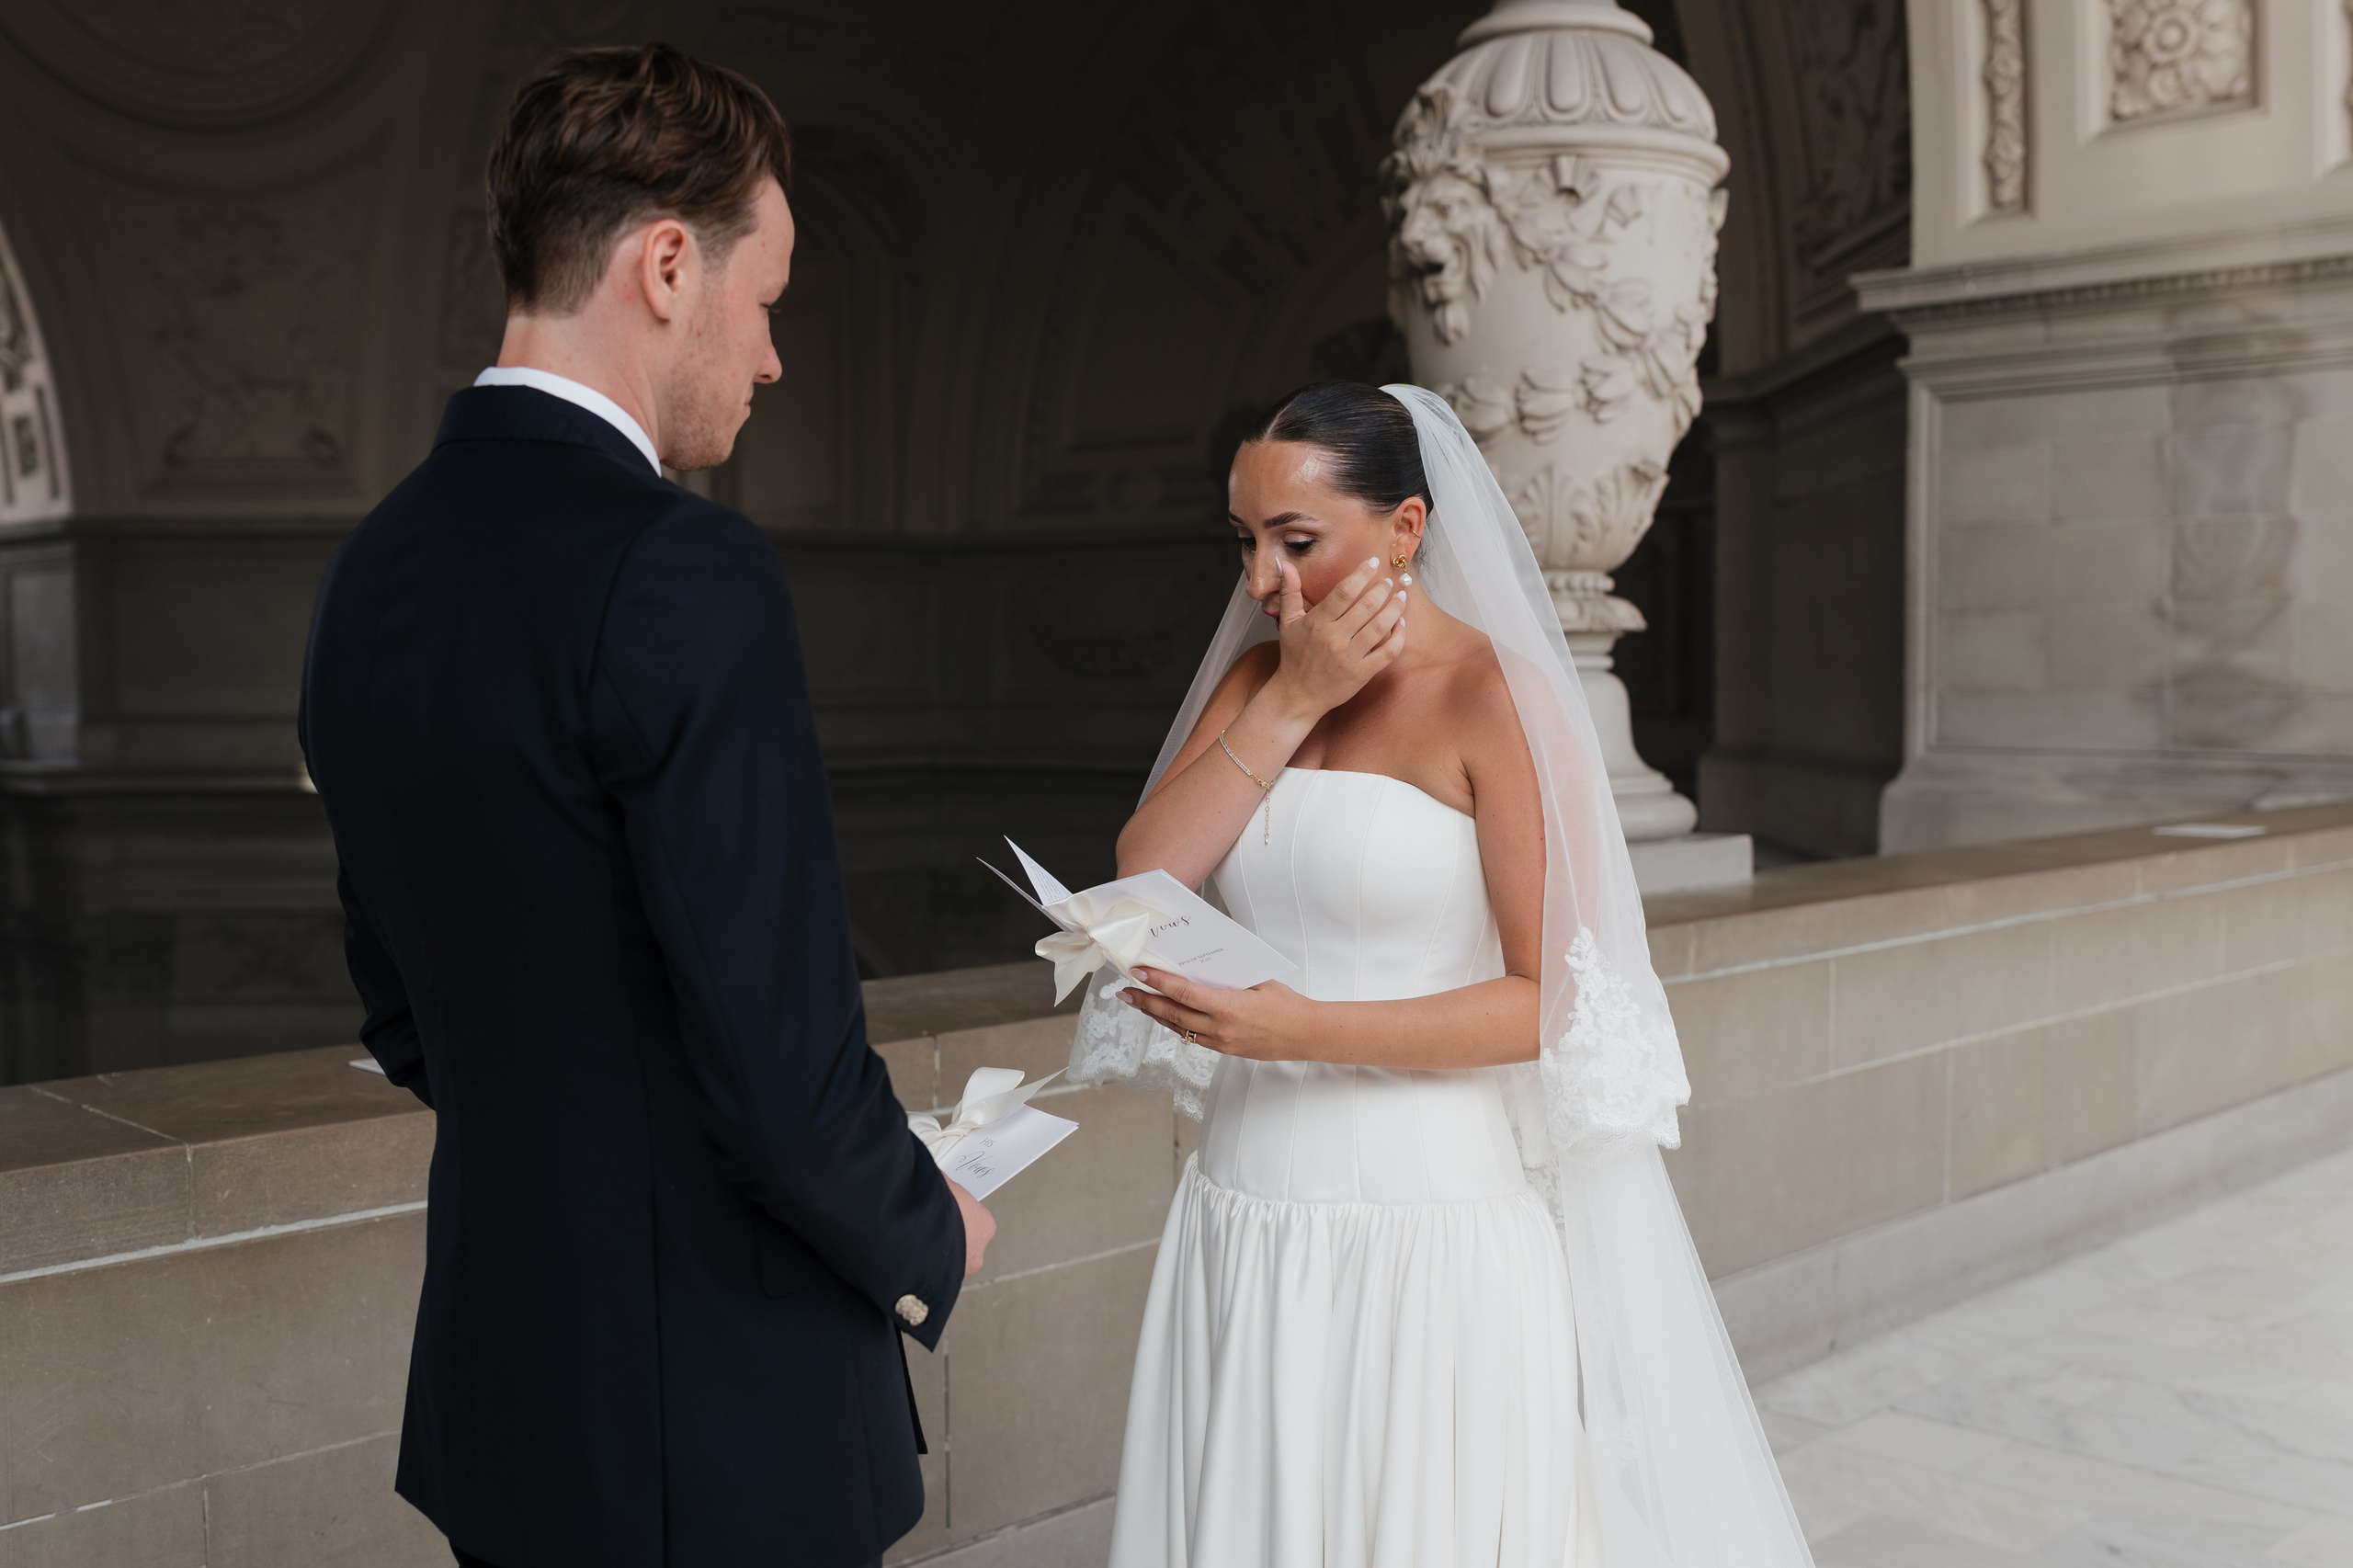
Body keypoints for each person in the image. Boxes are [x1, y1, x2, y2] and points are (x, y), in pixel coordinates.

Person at [298, 43, 991, 1568]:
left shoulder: (370, 574)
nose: (771, 358)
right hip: (719, 1429)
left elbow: (407, 1012)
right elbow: (781, 1074)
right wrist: (928, 1223)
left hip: (508, 1395)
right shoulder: (688, 568)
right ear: (668, 264)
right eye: (770, 300)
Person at [1070, 381, 1815, 1568]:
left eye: (1296, 541)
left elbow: (1551, 1001)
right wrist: (1296, 700)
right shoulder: (1260, 680)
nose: (1263, 579)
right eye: (1247, 541)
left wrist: (1303, 1028)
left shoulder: (1496, 696)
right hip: (1246, 1201)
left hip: (1426, 1220)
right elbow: (1147, 872)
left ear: (1407, 527)